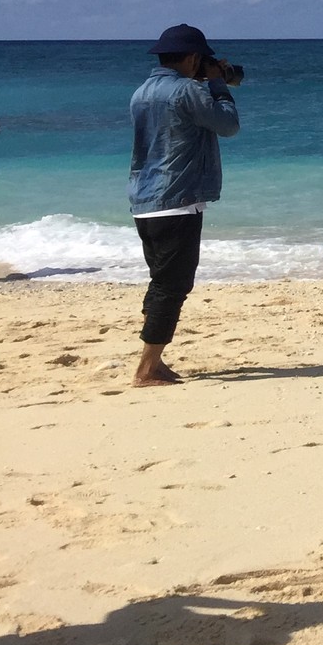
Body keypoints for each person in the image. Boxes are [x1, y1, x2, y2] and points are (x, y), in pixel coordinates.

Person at [127, 24, 240, 386]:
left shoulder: (141, 92)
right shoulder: (187, 90)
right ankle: (148, 367)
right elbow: (228, 125)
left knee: (161, 281)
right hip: (177, 201)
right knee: (173, 285)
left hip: (145, 200)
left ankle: (152, 357)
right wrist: (218, 84)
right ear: (192, 58)